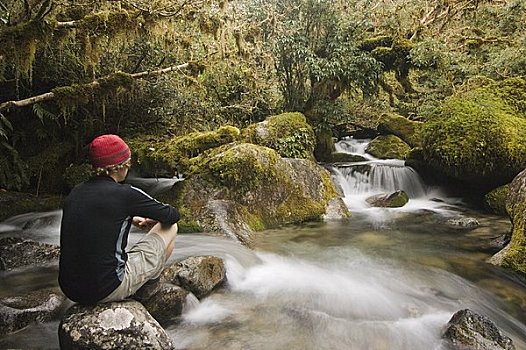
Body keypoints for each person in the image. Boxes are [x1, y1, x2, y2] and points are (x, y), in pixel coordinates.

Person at [58, 134, 180, 304]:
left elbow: (95, 219)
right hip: (107, 289)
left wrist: (130, 217)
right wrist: (148, 217)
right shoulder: (125, 193)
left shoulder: (76, 192)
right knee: (170, 227)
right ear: (120, 166)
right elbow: (172, 215)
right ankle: (148, 286)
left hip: (71, 289)